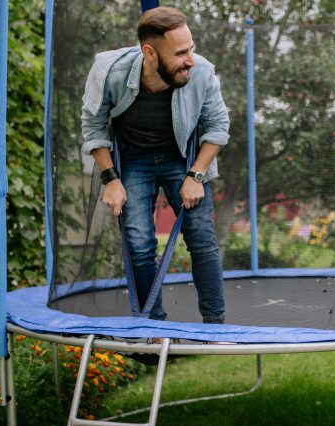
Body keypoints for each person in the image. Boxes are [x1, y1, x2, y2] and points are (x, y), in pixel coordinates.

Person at [81, 6, 229, 324]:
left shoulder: (201, 71)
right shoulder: (109, 71)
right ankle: (152, 326)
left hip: (182, 158)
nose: (190, 58)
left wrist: (195, 176)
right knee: (138, 242)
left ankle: (215, 325)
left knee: (201, 236)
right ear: (150, 52)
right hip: (134, 159)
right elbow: (92, 128)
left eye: (191, 47)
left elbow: (218, 128)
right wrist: (111, 180)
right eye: (180, 52)